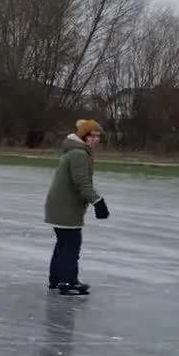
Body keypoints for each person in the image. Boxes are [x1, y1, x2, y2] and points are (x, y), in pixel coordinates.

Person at [44, 119, 109, 295]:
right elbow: (82, 183)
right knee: (71, 244)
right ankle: (68, 281)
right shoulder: (79, 154)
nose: (96, 139)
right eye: (93, 136)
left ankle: (57, 279)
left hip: (60, 205)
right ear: (84, 136)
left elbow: (83, 183)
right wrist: (98, 202)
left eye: (98, 136)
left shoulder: (75, 151)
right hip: (66, 207)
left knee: (64, 243)